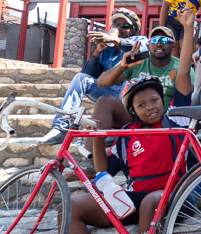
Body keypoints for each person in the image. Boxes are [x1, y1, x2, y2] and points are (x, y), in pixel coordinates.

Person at [47, 8, 199, 234]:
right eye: (141, 104)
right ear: (133, 111)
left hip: (172, 198)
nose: (149, 107)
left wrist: (188, 31)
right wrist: (91, 155)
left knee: (150, 201)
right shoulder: (128, 135)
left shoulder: (177, 122)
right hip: (134, 198)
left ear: (163, 101)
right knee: (71, 207)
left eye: (154, 101)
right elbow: (107, 167)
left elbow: (184, 74)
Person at [40, 9, 146, 145]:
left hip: (128, 93)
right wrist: (96, 53)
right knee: (80, 78)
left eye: (124, 26)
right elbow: (89, 76)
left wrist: (117, 40)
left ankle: (119, 131)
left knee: (128, 80)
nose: (119, 28)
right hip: (108, 91)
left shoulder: (140, 40)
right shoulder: (107, 49)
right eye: (116, 24)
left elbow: (143, 49)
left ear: (132, 30)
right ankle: (62, 127)